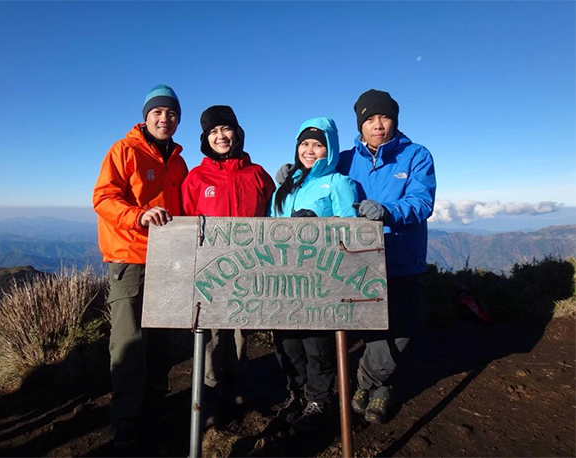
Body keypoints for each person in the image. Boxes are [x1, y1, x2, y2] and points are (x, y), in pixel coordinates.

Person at [92, 84, 188, 449]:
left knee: (161, 340)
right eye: (158, 113)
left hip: (167, 259)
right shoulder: (124, 150)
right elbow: (103, 197)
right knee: (129, 343)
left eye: (172, 113)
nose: (165, 119)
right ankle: (127, 420)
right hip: (129, 258)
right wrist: (139, 215)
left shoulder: (177, 160)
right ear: (147, 117)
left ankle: (153, 408)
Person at [336, 89, 436, 424]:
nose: (378, 125)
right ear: (360, 124)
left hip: (401, 257)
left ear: (394, 119)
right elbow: (317, 174)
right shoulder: (346, 159)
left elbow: (422, 202)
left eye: (384, 117)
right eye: (370, 119)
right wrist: (291, 177)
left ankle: (370, 382)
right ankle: (379, 387)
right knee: (368, 325)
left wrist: (388, 212)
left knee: (403, 326)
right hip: (357, 259)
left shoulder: (416, 155)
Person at [181, 105, 275, 426]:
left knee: (239, 332)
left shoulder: (258, 175)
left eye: (226, 129)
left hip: (249, 269)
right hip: (210, 273)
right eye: (213, 132)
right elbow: (186, 224)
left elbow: (273, 219)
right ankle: (209, 394)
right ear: (206, 138)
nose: (221, 136)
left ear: (237, 132)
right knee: (212, 335)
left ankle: (235, 389)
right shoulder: (196, 178)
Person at [269, 117, 358, 434]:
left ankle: (320, 401)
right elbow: (270, 226)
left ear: (329, 149)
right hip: (283, 280)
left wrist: (320, 229)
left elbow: (352, 230)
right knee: (288, 344)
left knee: (315, 346)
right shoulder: (286, 184)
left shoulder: (338, 183)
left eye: (317, 144)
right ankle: (297, 396)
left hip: (320, 282)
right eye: (304, 143)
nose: (309, 149)